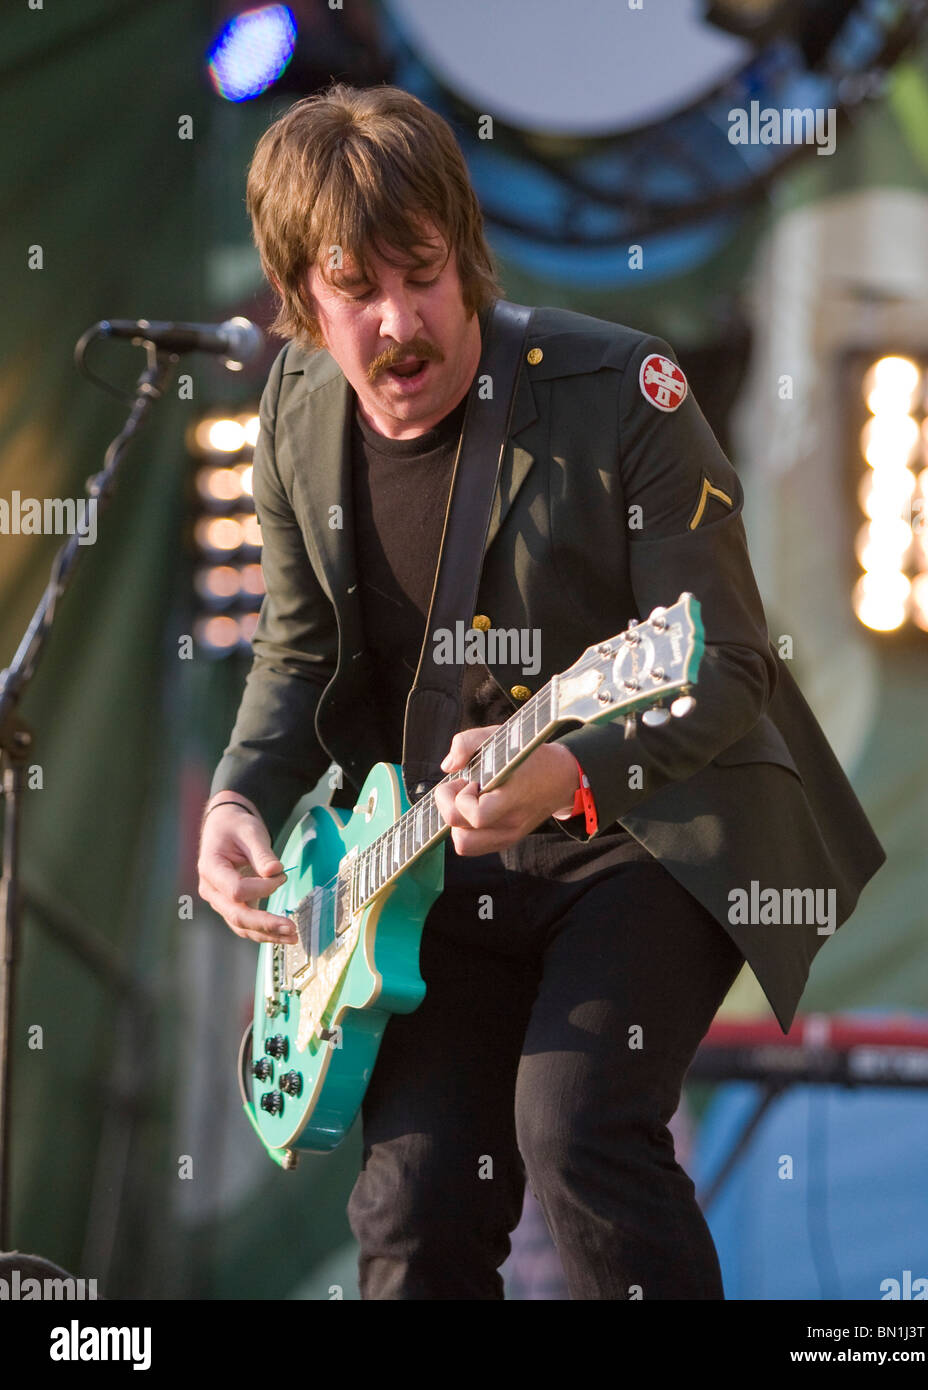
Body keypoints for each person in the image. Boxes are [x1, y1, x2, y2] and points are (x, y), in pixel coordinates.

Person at [197, 84, 885, 1300]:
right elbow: (295, 655)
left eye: (424, 273)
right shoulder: (292, 416)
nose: (402, 321)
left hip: (646, 830)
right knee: (410, 1208)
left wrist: (565, 775)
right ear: (305, 300)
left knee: (576, 1129)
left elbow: (724, 664)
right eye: (358, 290)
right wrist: (239, 800)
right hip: (426, 863)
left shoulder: (624, 392)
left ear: (467, 257)